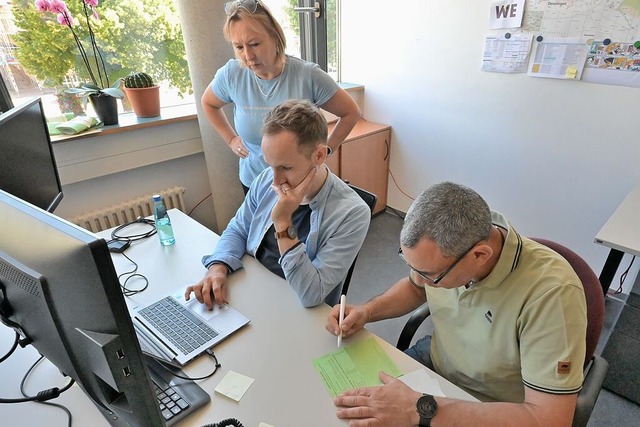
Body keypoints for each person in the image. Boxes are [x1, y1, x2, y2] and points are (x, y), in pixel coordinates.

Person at [326, 182, 587, 427]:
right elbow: (416, 288)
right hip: (438, 365)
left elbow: (550, 419)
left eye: (431, 274)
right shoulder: (454, 247)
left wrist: (419, 408)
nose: (421, 278)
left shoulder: (553, 295)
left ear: (480, 255)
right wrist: (367, 311)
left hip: (493, 404)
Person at [185, 100, 370, 309]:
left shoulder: (352, 213)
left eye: (286, 167)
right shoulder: (266, 179)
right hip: (254, 287)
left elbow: (311, 294)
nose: (275, 180)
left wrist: (283, 224)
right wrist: (218, 267)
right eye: (270, 165)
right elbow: (238, 228)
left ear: (319, 155)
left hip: (297, 307)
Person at [201, 0, 361, 193]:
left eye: (255, 44)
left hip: (300, 185)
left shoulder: (307, 75)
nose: (248, 56)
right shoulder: (231, 74)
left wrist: (326, 150)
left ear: (275, 37)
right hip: (254, 182)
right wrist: (231, 139)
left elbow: (351, 112)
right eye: (239, 47)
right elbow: (208, 103)